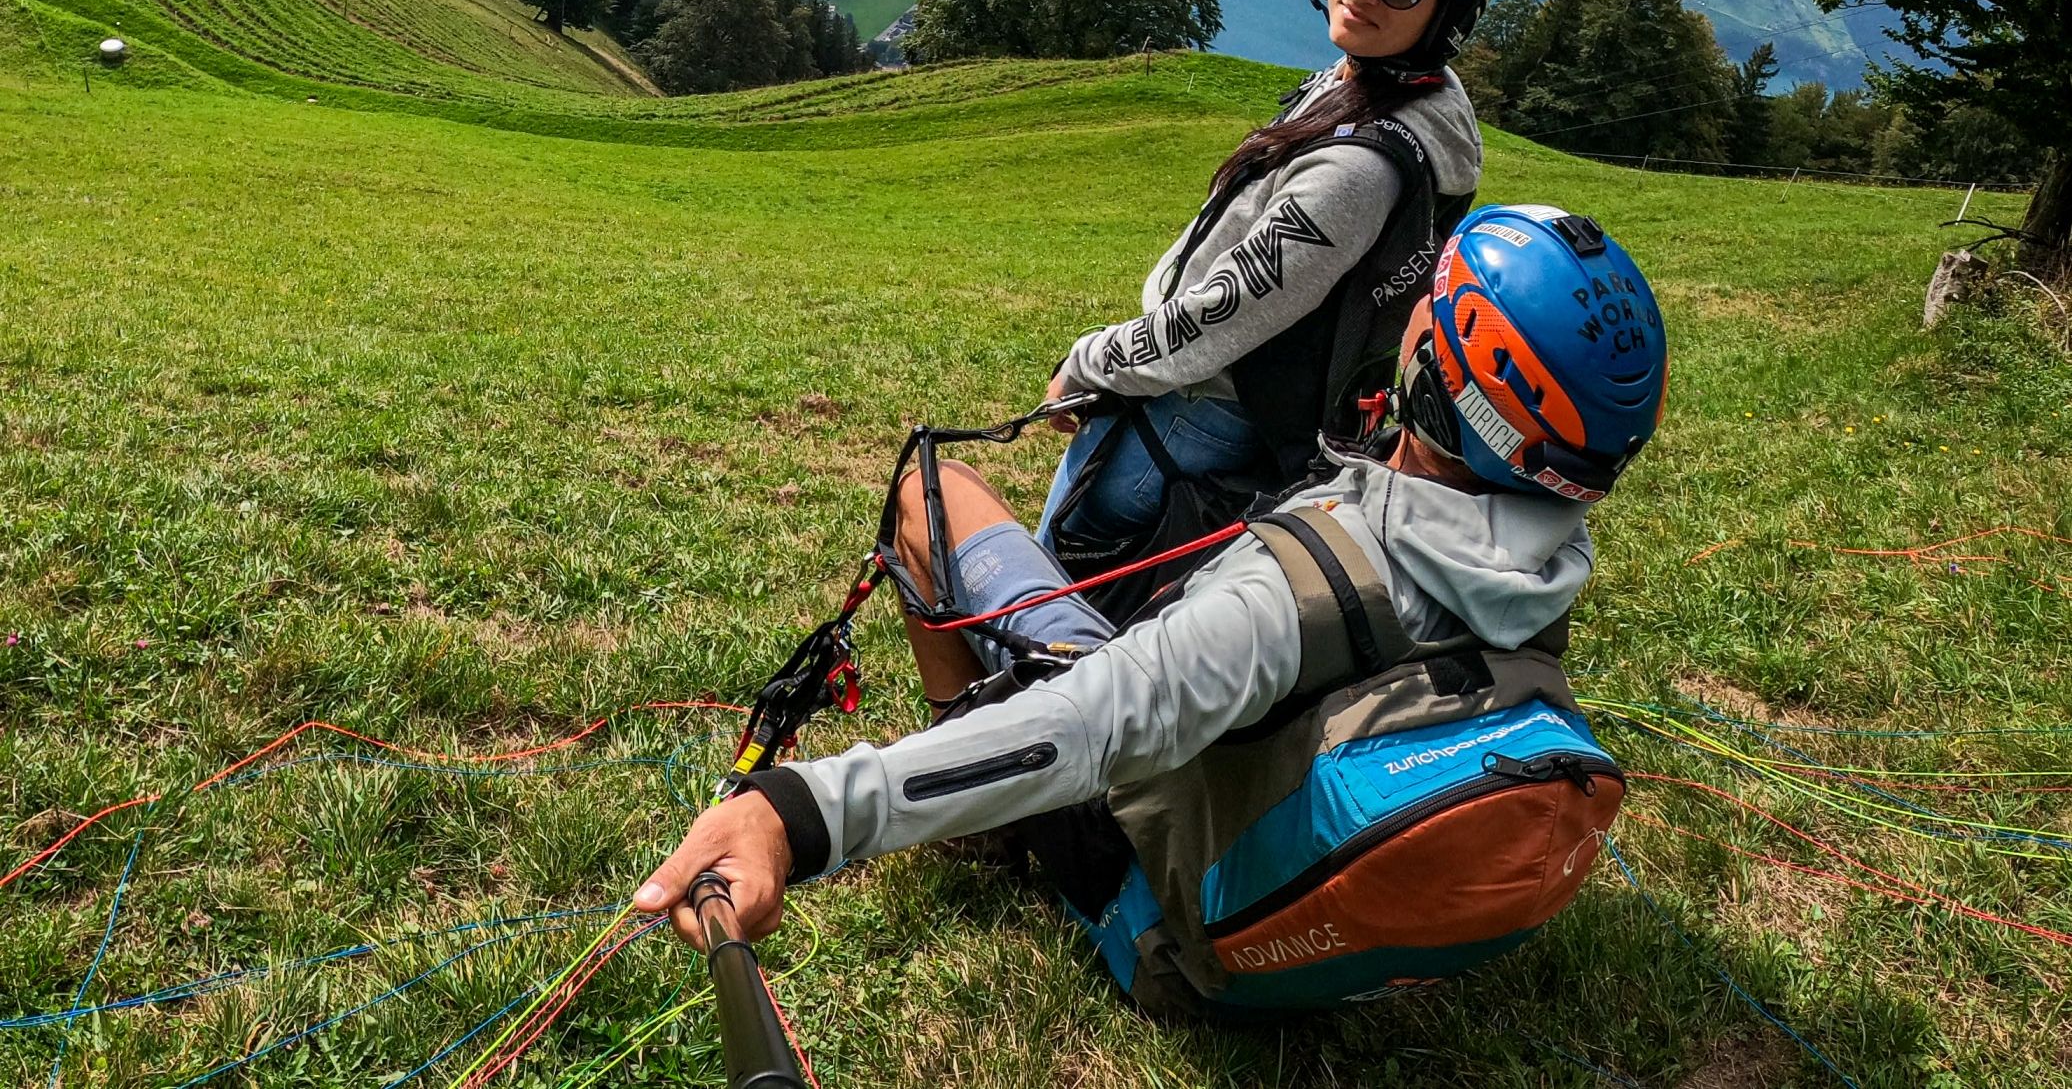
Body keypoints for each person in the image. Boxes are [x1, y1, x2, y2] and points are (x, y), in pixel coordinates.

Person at [634, 204, 1669, 1015]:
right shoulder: (1542, 566)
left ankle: (979, 825)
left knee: (929, 493)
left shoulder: (1286, 597)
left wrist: (795, 812)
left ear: (1435, 376)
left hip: (1171, 927)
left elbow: (1090, 724)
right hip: (1307, 898)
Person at [1034, 0, 1519, 576]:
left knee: (1045, 605)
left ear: (1447, 13)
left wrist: (1090, 363)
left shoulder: (1360, 168)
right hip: (1220, 413)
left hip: (1189, 420)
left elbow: (1226, 311)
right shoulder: (1401, 92)